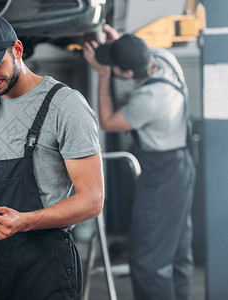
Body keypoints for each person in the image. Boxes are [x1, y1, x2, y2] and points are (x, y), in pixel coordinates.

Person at [0, 14, 104, 300]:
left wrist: (24, 221)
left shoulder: (65, 105)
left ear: (17, 51)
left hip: (43, 265)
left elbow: (92, 200)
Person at [83, 25, 196, 300]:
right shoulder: (164, 57)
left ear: (128, 74)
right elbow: (136, 50)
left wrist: (103, 74)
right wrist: (120, 43)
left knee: (148, 261)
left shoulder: (148, 100)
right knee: (177, 251)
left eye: (117, 67)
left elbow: (109, 122)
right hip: (182, 164)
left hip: (163, 172)